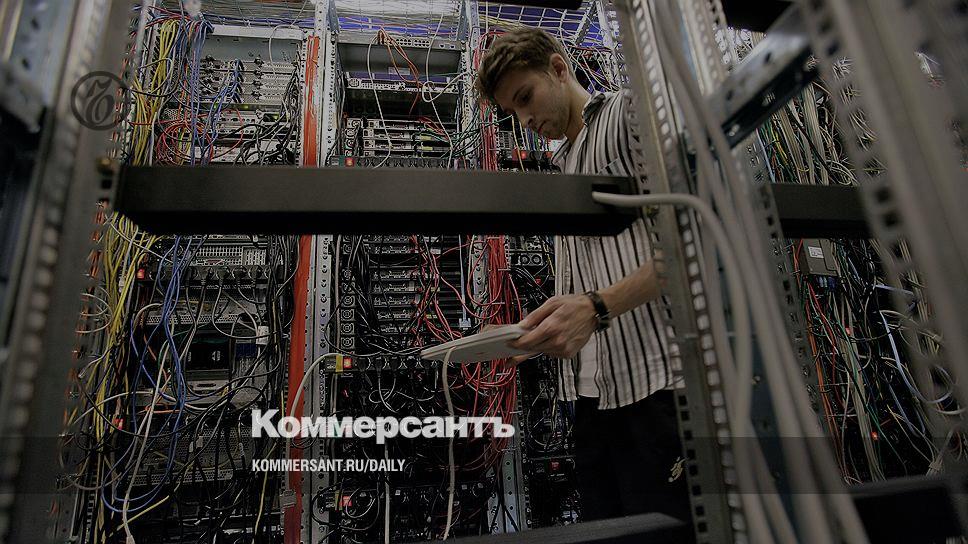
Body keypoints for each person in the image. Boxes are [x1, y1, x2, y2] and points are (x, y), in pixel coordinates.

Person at [475, 27, 694, 541]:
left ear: (558, 68)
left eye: (525, 98)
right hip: (594, 397)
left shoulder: (627, 116)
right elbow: (597, 280)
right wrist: (543, 330)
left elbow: (691, 238)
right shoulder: (566, 160)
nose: (524, 121)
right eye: (512, 112)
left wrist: (596, 308)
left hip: (657, 387)